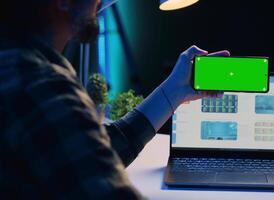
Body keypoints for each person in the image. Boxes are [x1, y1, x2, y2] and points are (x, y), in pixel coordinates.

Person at [0, 0, 229, 199]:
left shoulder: (14, 64)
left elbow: (91, 154)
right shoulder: (41, 86)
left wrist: (173, 92)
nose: (99, 3)